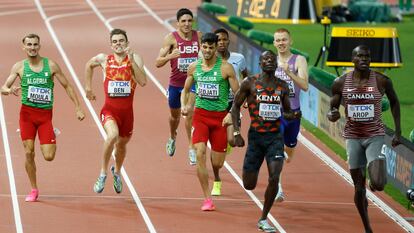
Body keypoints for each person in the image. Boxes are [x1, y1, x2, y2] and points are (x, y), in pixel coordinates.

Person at [1, 33, 85, 202]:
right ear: (23, 47)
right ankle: (33, 189)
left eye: (35, 44)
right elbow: (3, 87)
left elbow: (67, 86)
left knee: (48, 156)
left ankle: (50, 133)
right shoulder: (19, 67)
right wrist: (10, 90)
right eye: (29, 45)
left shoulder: (51, 65)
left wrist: (78, 107)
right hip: (27, 116)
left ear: (39, 46)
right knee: (29, 151)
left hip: (45, 117)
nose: (32, 47)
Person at [327, 45, 401, 233]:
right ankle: (367, 227)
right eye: (359, 56)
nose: (364, 59)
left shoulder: (382, 80)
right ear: (352, 59)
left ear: (371, 59)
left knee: (378, 184)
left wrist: (398, 131)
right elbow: (333, 106)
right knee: (358, 188)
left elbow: (394, 101)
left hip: (374, 135)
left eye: (367, 56)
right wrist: (332, 114)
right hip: (353, 137)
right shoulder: (340, 82)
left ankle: (375, 172)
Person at [231, 50, 294, 232]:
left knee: (274, 176)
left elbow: (287, 111)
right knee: (249, 184)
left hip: (275, 137)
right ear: (260, 63)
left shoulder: (282, 86)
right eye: (265, 59)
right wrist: (236, 132)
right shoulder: (249, 83)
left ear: (276, 64)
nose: (269, 62)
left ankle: (264, 218)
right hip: (256, 137)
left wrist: (293, 115)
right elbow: (235, 107)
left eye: (272, 60)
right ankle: (252, 176)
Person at [181, 33, 239, 211]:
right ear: (201, 47)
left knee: (217, 163)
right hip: (201, 116)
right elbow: (185, 89)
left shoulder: (226, 68)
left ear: (216, 48)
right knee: (199, 153)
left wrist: (231, 113)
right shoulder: (193, 68)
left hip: (220, 118)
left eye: (211, 47)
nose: (207, 51)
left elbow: (238, 95)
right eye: (204, 47)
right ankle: (207, 199)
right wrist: (185, 106)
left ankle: (220, 162)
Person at [85, 28, 147, 194]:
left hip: (127, 114)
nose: (118, 44)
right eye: (115, 41)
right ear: (111, 45)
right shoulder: (104, 59)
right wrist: (88, 87)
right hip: (109, 110)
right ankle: (103, 173)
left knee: (121, 145)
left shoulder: (136, 58)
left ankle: (117, 172)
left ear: (127, 43)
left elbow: (142, 82)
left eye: (121, 41)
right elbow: (88, 65)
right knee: (112, 136)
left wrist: (132, 61)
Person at [155, 8, 202, 164]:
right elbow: (157, 63)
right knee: (175, 117)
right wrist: (170, 56)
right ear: (178, 23)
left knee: (189, 113)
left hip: (193, 82)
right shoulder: (170, 39)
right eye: (183, 21)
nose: (187, 24)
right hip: (175, 84)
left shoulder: (199, 37)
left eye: (189, 20)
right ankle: (172, 136)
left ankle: (191, 148)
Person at [210, 27, 248, 196]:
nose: (221, 43)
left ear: (228, 41)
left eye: (224, 39)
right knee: (216, 151)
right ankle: (216, 180)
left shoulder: (238, 58)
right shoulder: (210, 60)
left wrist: (245, 95)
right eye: (218, 40)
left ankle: (227, 141)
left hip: (233, 104)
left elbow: (245, 75)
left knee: (232, 141)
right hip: (215, 105)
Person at [273, 28, 308, 202]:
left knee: (289, 149)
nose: (281, 43)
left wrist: (288, 72)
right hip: (275, 113)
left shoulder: (299, 60)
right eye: (278, 40)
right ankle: (278, 188)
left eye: (284, 40)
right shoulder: (270, 61)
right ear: (274, 43)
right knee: (277, 151)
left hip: (293, 114)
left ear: (290, 41)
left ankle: (288, 149)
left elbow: (305, 86)